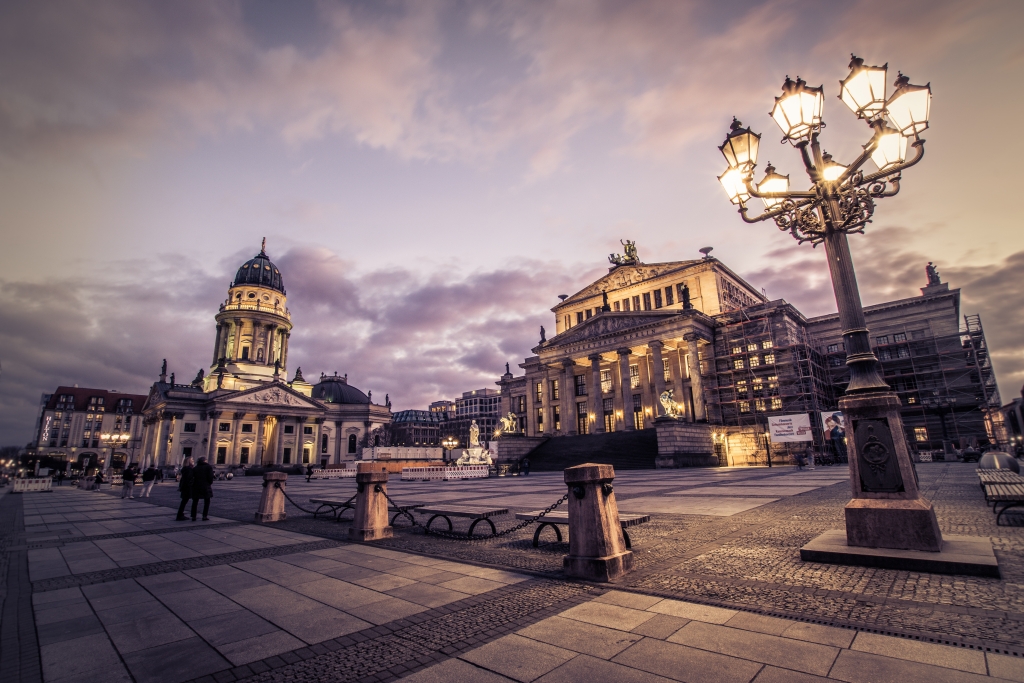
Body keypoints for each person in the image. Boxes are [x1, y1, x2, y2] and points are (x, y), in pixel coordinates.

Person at [190, 457, 214, 521]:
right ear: (204, 461)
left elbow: (192, 477)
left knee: (195, 501)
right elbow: (210, 477)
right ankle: (204, 516)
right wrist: (209, 483)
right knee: (207, 501)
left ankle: (193, 516)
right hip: (205, 485)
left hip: (196, 486)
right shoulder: (208, 467)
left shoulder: (195, 468)